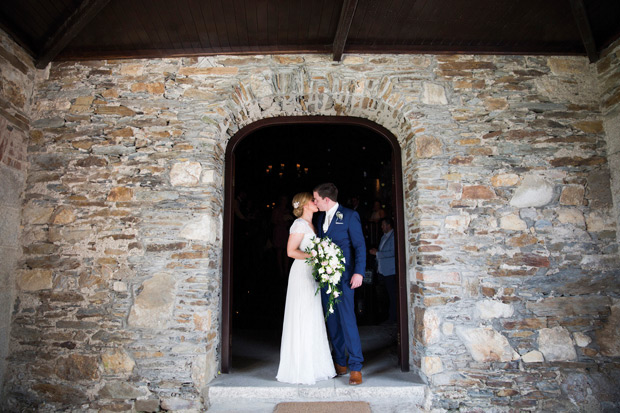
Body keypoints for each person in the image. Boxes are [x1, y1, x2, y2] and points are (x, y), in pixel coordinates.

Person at [276, 192, 336, 385]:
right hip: (301, 274)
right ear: (304, 204)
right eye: (312, 200)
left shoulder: (313, 224)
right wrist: (316, 256)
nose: (315, 202)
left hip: (312, 274)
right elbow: (290, 251)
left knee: (313, 315)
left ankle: (315, 364)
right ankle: (300, 367)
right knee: (303, 314)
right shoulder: (299, 224)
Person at [313, 183, 366, 385]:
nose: (314, 202)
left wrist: (359, 272)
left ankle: (356, 367)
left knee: (347, 321)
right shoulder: (320, 218)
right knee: (332, 321)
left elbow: (359, 246)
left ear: (327, 200)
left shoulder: (350, 216)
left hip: (345, 278)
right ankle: (340, 362)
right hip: (326, 278)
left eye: (316, 199)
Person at [369, 217, 397, 324]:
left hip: (390, 271)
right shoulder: (383, 237)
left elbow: (393, 253)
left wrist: (377, 253)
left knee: (392, 295)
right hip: (382, 270)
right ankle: (386, 316)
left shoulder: (394, 236)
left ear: (389, 225)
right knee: (384, 296)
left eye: (383, 225)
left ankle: (393, 318)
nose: (381, 227)